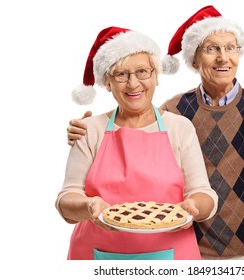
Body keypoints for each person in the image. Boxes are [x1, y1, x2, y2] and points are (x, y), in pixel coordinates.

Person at [66, 6, 244, 260]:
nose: (223, 58)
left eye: (230, 48)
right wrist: (83, 132)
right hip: (190, 246)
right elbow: (135, 119)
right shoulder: (176, 109)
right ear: (194, 58)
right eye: (212, 49)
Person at [55, 26, 218, 260]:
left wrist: (194, 207)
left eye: (142, 72)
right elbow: (66, 200)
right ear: (107, 82)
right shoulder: (90, 129)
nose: (133, 84)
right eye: (121, 74)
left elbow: (204, 194)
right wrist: (88, 206)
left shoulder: (179, 128)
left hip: (172, 256)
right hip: (96, 255)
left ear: (156, 77)